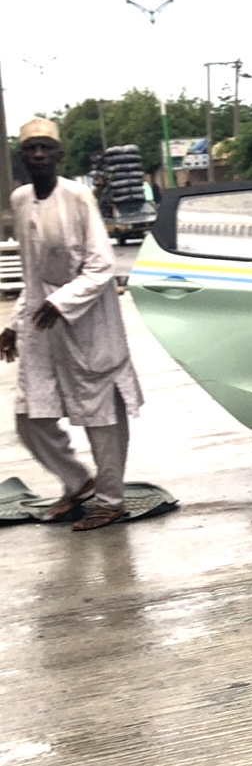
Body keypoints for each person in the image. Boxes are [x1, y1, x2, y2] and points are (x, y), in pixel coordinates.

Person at [0, 118, 144, 530]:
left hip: (88, 320)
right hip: (43, 323)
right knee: (31, 417)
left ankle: (111, 500)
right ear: (22, 156)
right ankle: (78, 482)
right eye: (32, 149)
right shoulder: (22, 199)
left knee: (101, 414)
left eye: (47, 147)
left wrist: (62, 302)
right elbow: (31, 272)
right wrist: (14, 322)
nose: (40, 155)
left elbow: (102, 265)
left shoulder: (78, 197)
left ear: (59, 155)